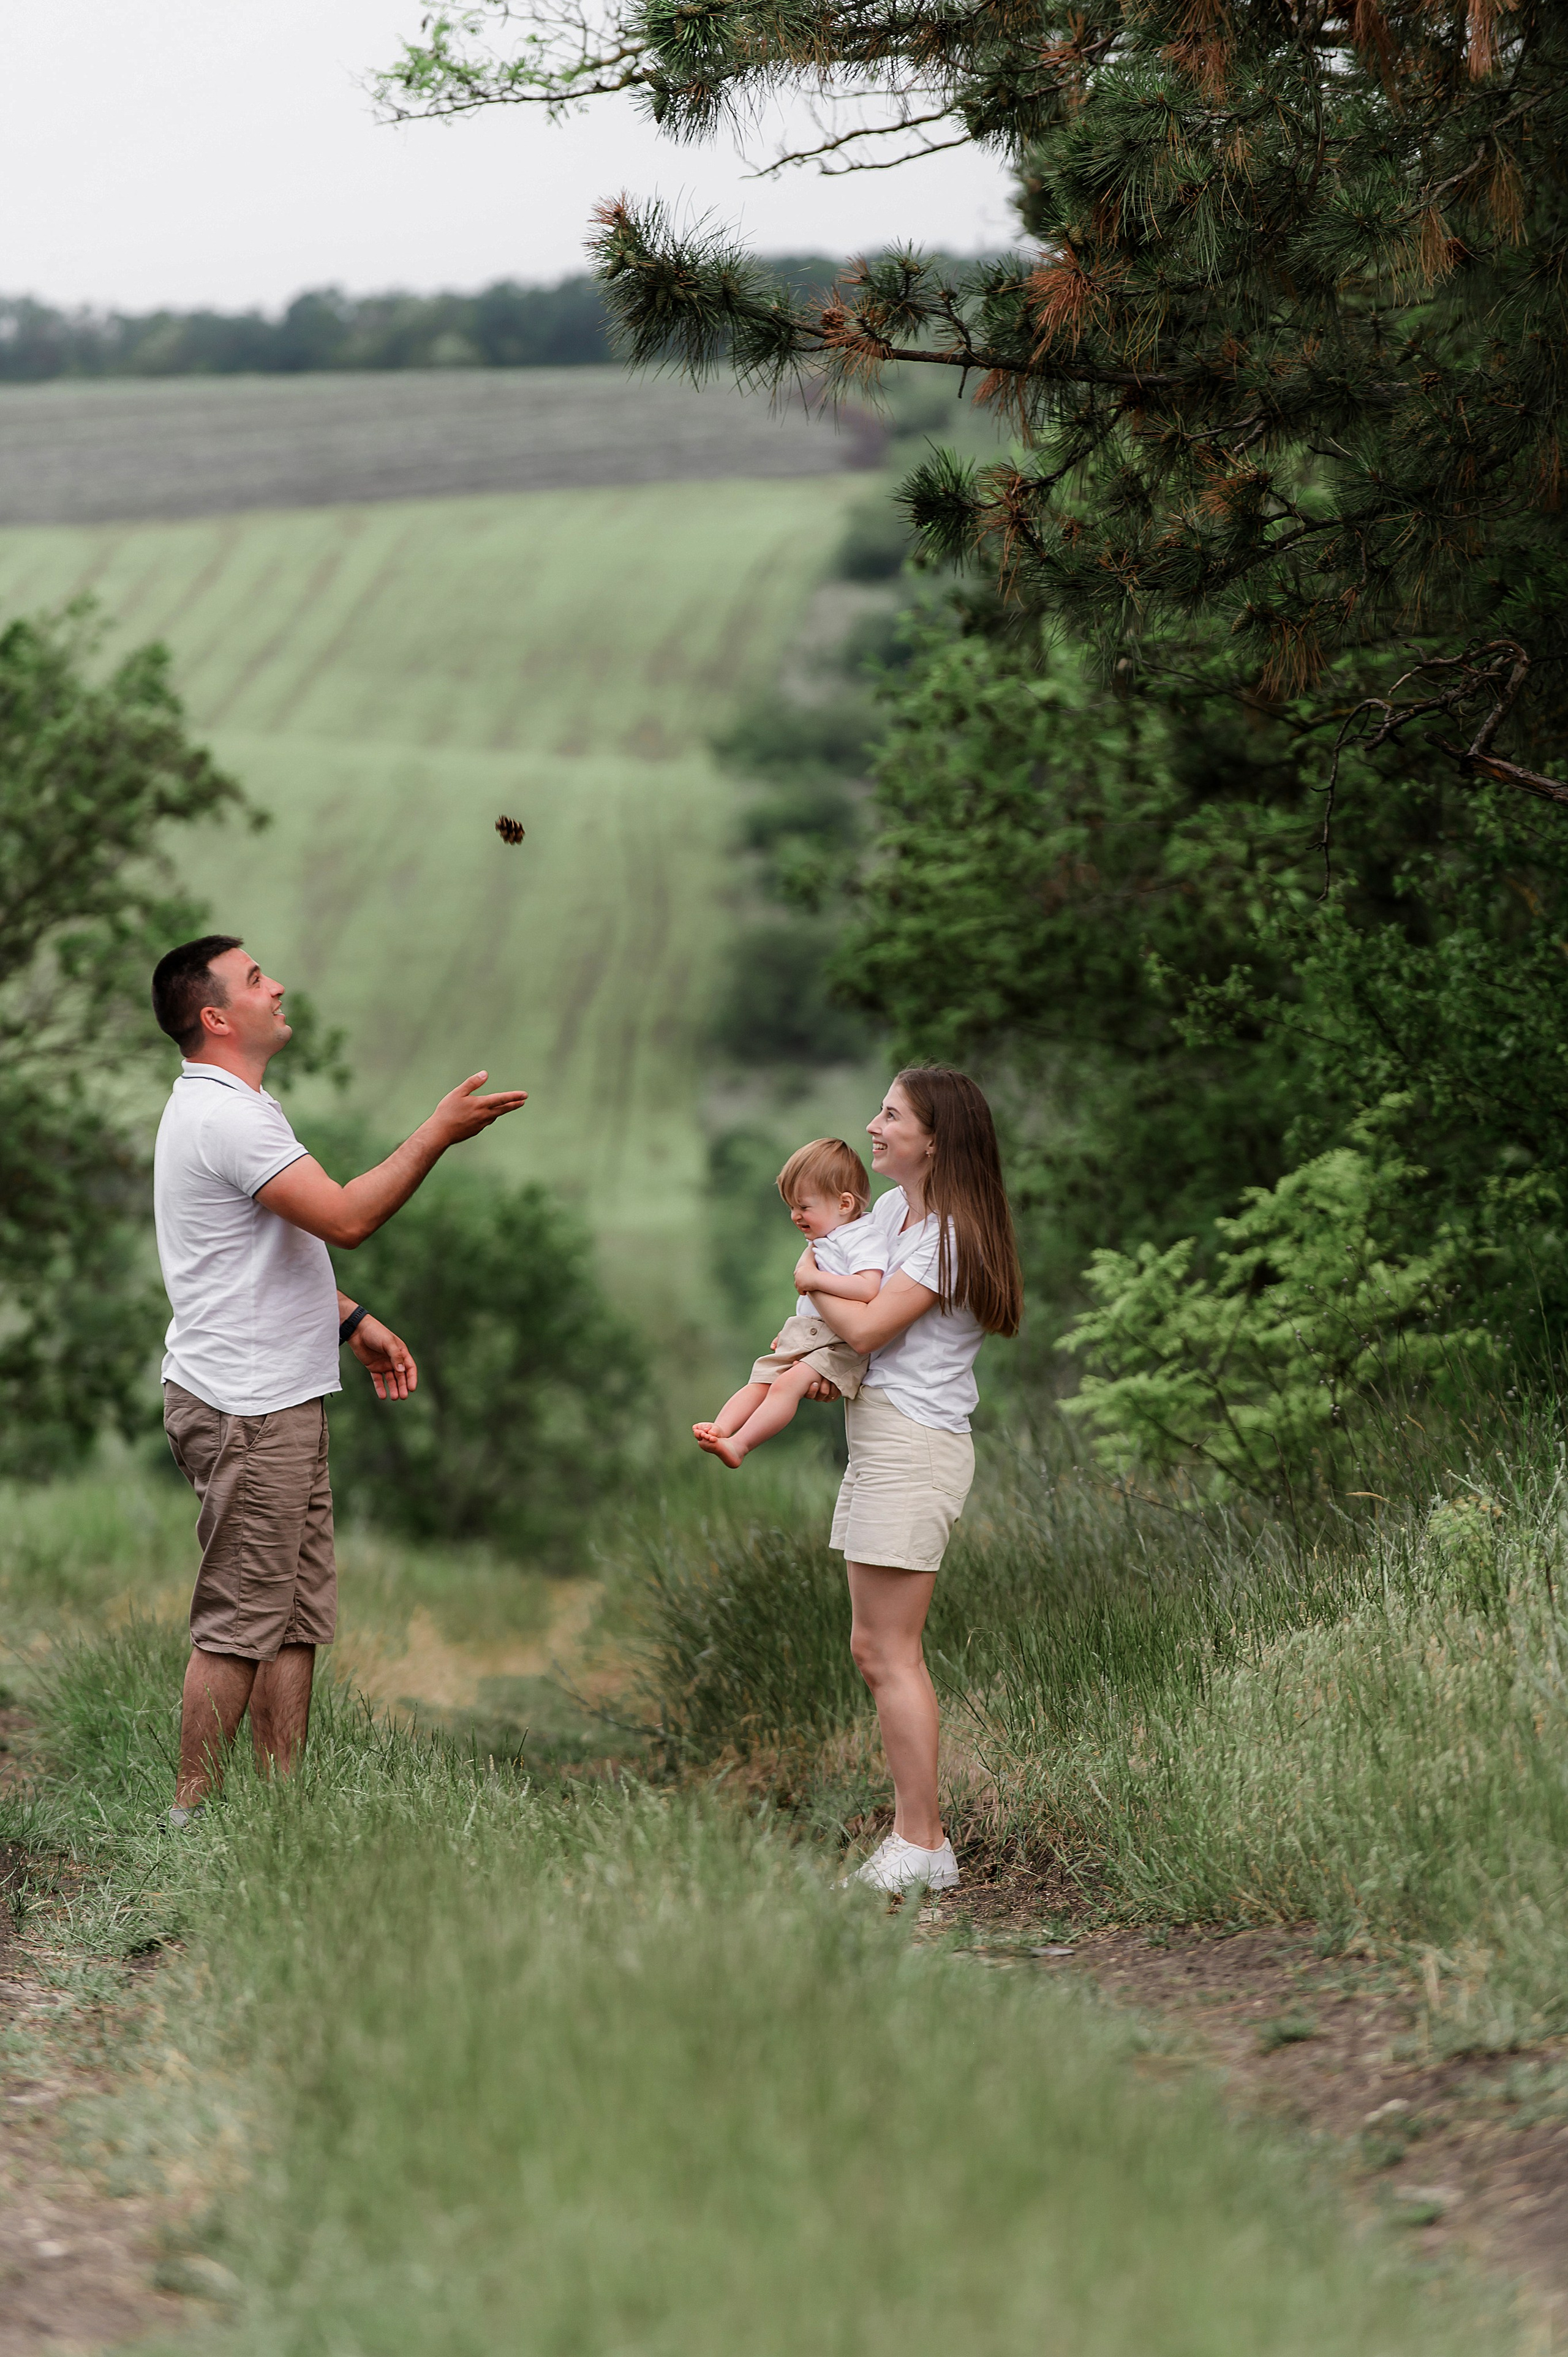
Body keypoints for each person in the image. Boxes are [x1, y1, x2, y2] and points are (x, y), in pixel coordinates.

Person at [149, 935, 527, 1828]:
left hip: (277, 1392)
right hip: (247, 1405)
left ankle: (286, 1810)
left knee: (292, 1615)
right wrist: (438, 1132)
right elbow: (349, 1217)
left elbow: (260, 1253)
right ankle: (188, 1820)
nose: (276, 986)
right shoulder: (229, 1117)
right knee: (243, 1616)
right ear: (215, 1017)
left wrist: (349, 1319)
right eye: (253, 980)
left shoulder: (231, 1108)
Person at [792, 1068, 1022, 1896]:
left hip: (914, 1446)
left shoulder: (948, 1236)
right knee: (872, 1648)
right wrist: (827, 1355)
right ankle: (913, 1839)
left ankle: (922, 1844)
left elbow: (869, 1321)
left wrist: (811, 1280)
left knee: (892, 1651)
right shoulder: (896, 1213)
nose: (873, 1127)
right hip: (881, 1435)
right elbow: (858, 1332)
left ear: (934, 1139)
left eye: (890, 1116)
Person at [693, 1137, 888, 1468]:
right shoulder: (825, 1237)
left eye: (804, 1207)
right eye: (791, 1208)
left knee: (787, 1384)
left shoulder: (863, 1237)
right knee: (762, 1378)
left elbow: (868, 1288)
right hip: (814, 1333)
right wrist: (799, 1332)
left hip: (842, 1342)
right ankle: (722, 1429)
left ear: (844, 1204)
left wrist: (813, 1281)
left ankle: (740, 1445)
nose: (796, 1216)